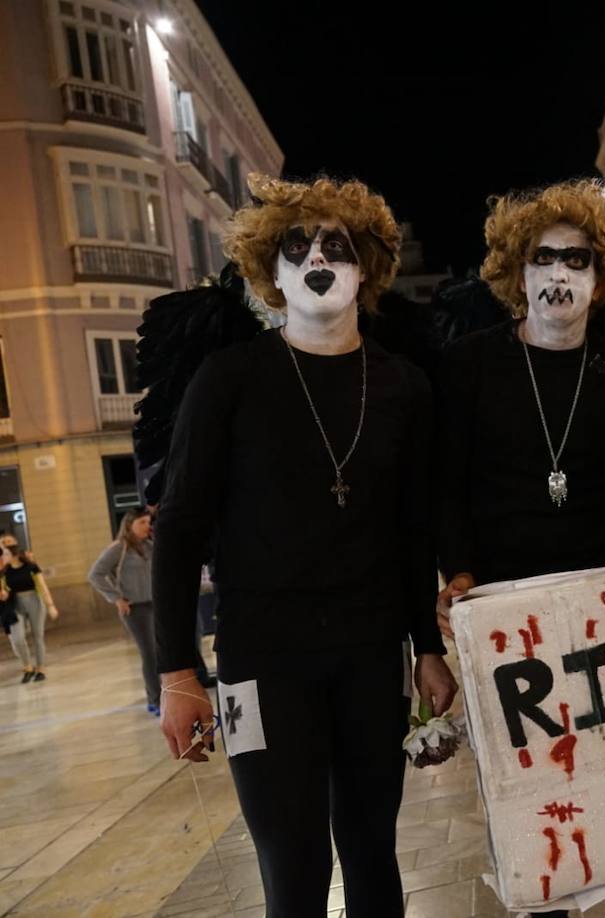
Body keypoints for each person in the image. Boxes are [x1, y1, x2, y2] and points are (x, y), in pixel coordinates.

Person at [152, 173, 457, 917]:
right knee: (291, 864)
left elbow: (415, 527)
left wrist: (426, 645)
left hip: (367, 656)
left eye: (337, 245)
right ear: (272, 270)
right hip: (260, 661)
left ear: (366, 269)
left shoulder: (403, 387)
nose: (318, 256)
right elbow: (181, 524)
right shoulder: (228, 380)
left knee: (372, 854)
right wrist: (176, 671)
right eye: (298, 245)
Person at [435, 179, 605, 918]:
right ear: (517, 272)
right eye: (544, 259)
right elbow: (448, 486)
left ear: (599, 281)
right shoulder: (468, 368)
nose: (559, 274)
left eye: (577, 260)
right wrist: (458, 570)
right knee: (534, 784)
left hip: (603, 609)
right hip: (507, 612)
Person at [89, 507, 172, 713]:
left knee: (160, 652)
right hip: (135, 609)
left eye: (148, 522)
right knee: (150, 654)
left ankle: (160, 695)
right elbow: (95, 574)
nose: (147, 526)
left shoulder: (150, 545)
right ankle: (155, 700)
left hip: (155, 604)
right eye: (142, 523)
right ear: (129, 525)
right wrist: (116, 598)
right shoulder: (119, 548)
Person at [0, 533, 58, 683]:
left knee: (37, 636)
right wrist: (4, 594)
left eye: (5, 553)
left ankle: (40, 668)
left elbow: (42, 586)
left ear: (13, 553)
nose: (2, 556)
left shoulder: (31, 567)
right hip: (15, 603)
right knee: (18, 638)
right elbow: (3, 589)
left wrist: (50, 605)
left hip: (34, 601)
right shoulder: (4, 571)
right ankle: (27, 666)